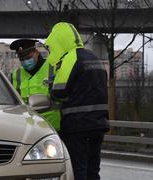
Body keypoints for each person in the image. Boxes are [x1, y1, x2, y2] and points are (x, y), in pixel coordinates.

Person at [45, 22, 110, 180]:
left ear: (59, 41)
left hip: (78, 127)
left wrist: (52, 84)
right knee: (93, 171)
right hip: (98, 124)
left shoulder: (71, 57)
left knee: (78, 171)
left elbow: (59, 92)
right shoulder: (93, 57)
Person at [10, 39, 61, 131]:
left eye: (28, 57)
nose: (26, 61)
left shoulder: (53, 68)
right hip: (29, 129)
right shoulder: (16, 74)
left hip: (53, 127)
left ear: (36, 52)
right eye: (22, 59)